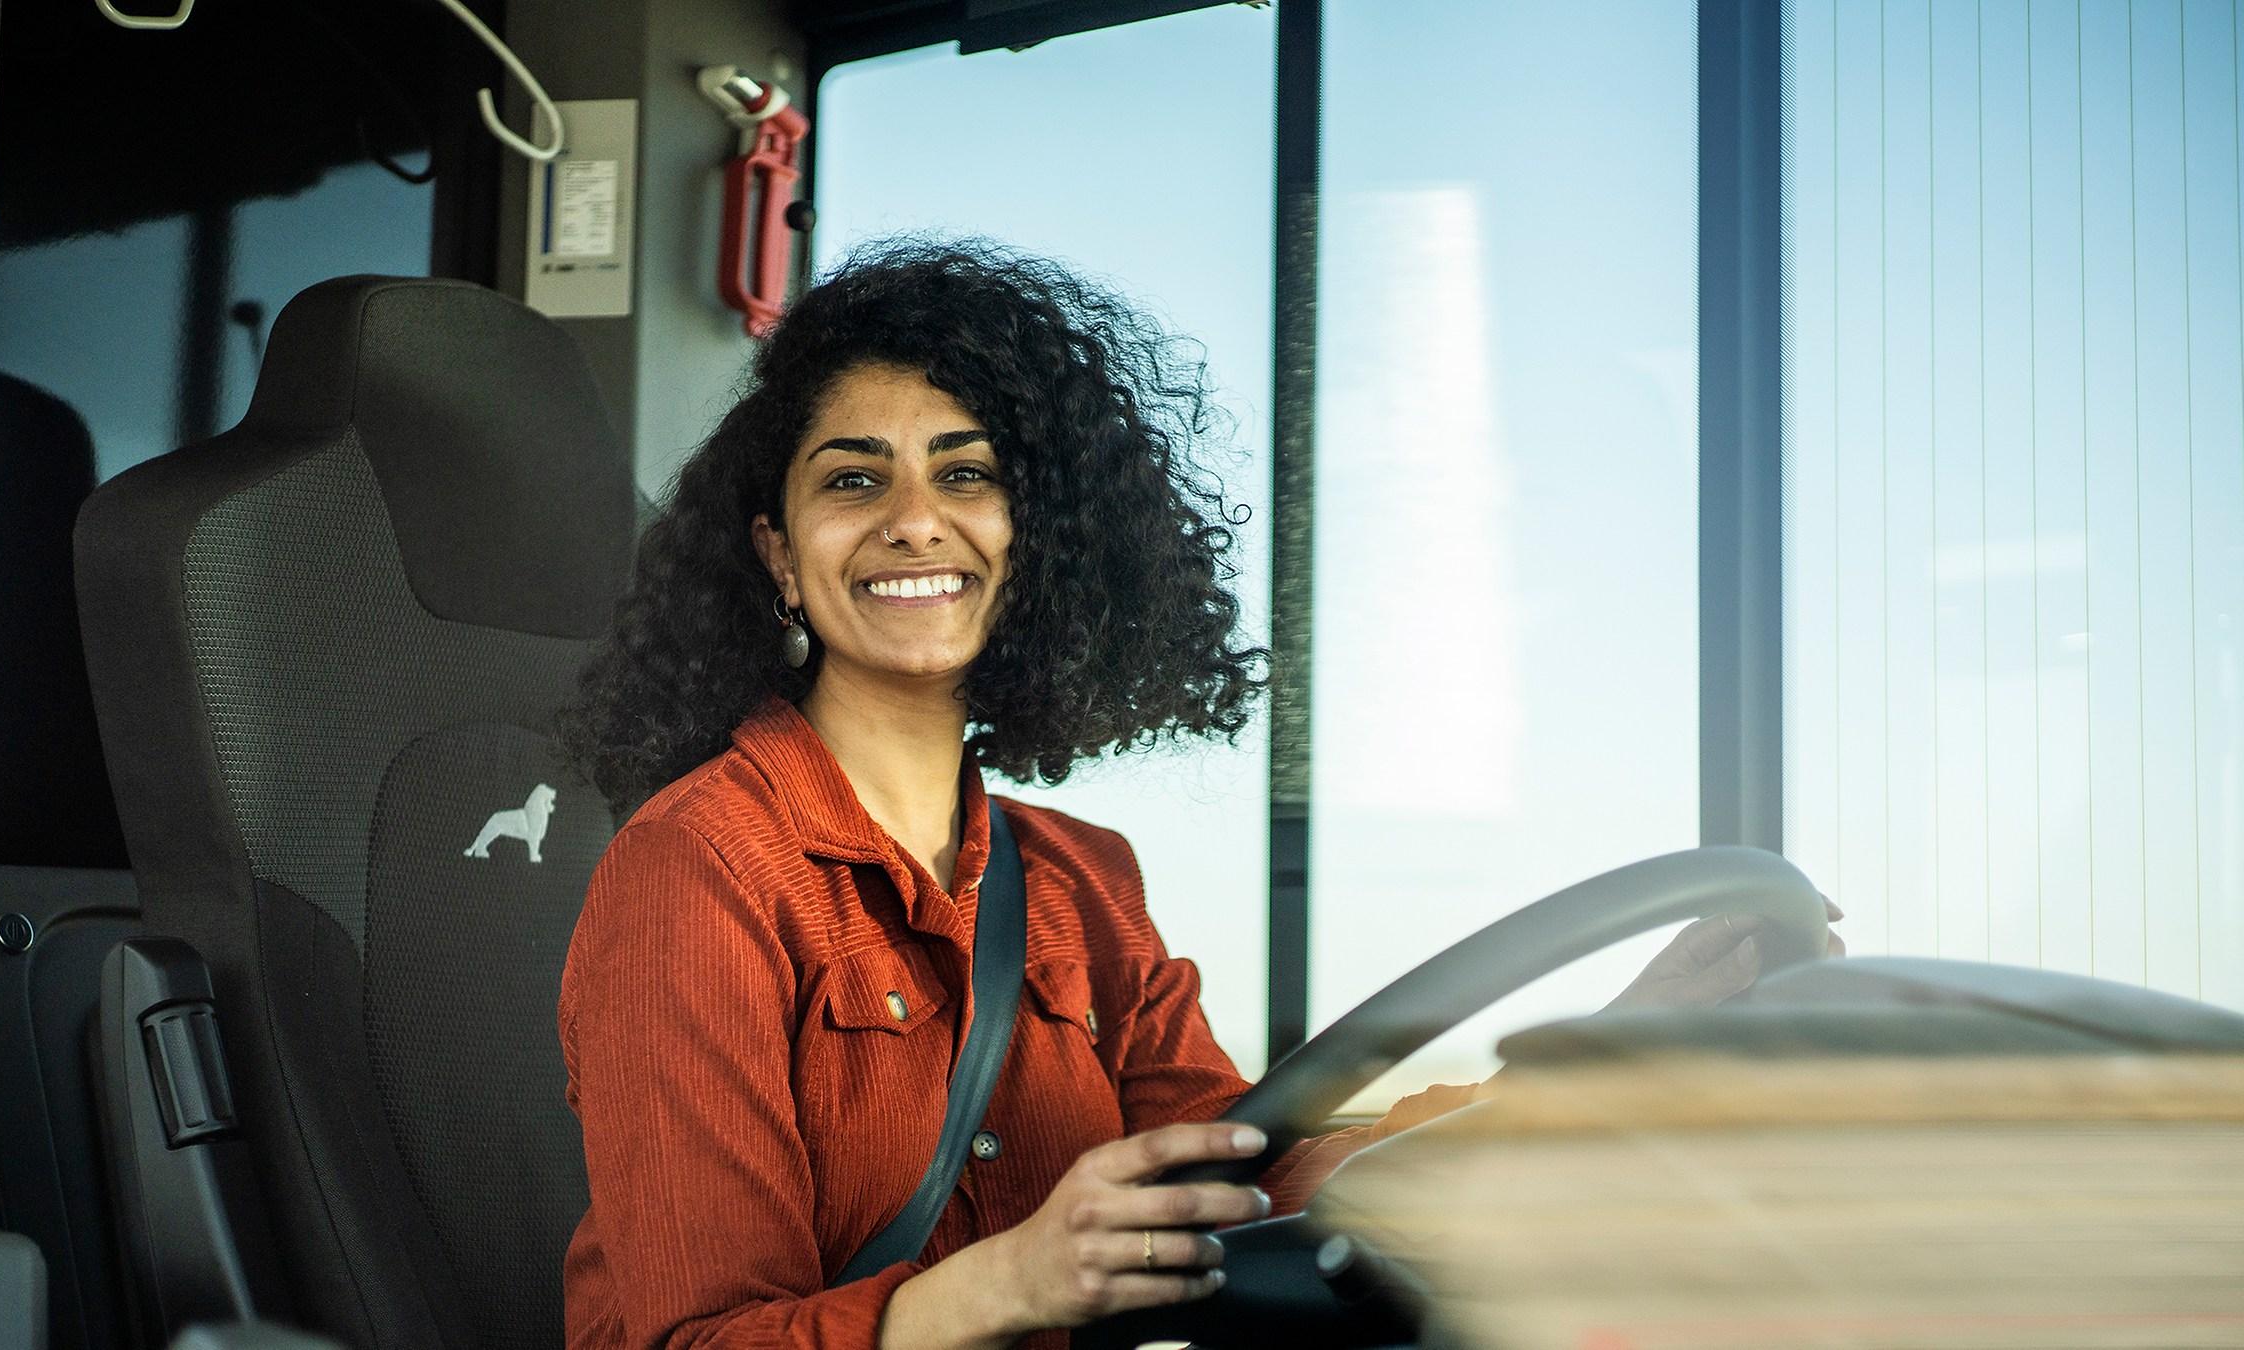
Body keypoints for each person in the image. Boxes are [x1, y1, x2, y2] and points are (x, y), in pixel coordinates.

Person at [556, 242, 1830, 1350]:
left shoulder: (1080, 882)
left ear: (1033, 542)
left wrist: (1598, 1062)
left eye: (965, 474)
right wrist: (1013, 1279)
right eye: (852, 479)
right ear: (778, 554)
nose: (912, 521)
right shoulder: (697, 869)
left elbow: (1249, 1178)